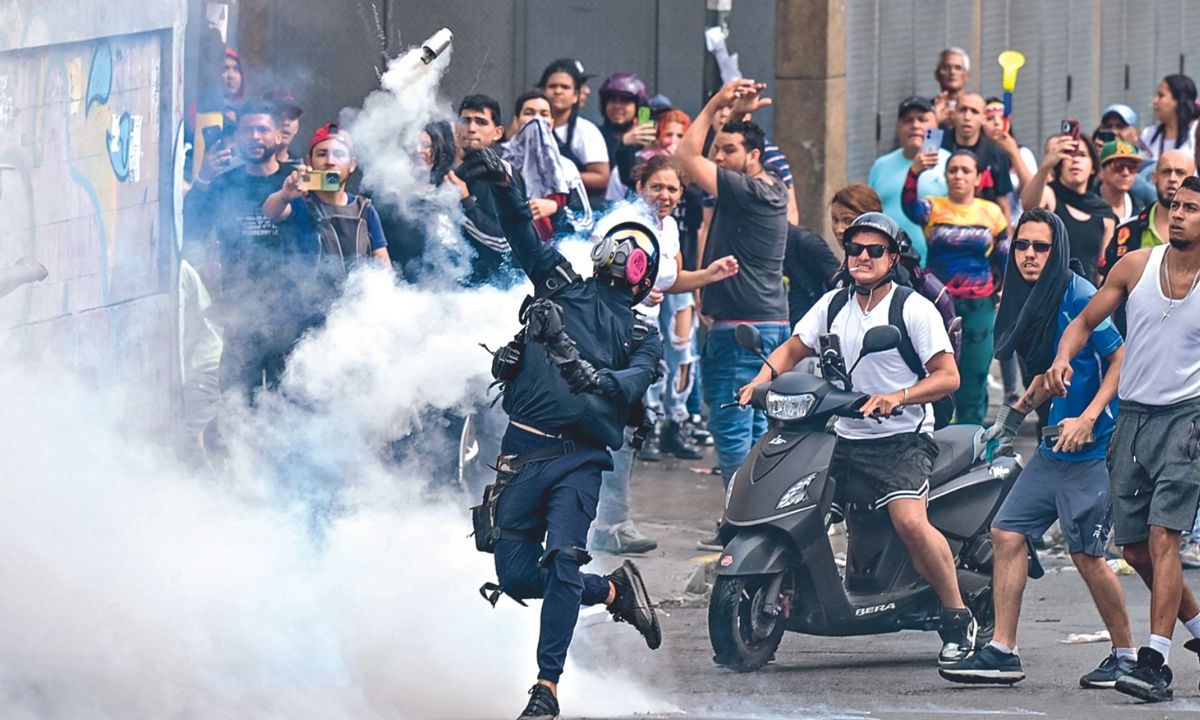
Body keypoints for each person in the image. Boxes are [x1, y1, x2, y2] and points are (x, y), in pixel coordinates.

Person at [463, 148, 663, 720]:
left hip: (579, 459)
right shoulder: (559, 285)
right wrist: (503, 187)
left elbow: (629, 386)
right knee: (521, 576)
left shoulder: (644, 337)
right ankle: (615, 593)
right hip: (521, 450)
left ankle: (545, 688)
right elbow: (523, 235)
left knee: (564, 564)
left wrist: (581, 368)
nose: (622, 257)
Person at [740, 212, 974, 666]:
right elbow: (793, 349)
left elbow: (948, 377)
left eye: (874, 251)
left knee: (908, 520)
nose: (862, 257)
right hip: (840, 436)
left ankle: (956, 614)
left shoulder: (913, 309)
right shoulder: (832, 305)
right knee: (796, 508)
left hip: (902, 439)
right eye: (855, 249)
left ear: (893, 257)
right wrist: (759, 381)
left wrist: (898, 396)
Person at [940, 208, 1134, 687]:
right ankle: (1003, 651)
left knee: (1088, 553)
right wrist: (1011, 419)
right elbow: (1051, 375)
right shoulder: (1026, 297)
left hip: (1094, 445)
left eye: (1040, 247)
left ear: (1058, 250)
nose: (1029, 255)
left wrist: (1088, 419)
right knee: (1008, 533)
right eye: (1021, 246)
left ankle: (1128, 656)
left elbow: (1120, 361)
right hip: (1053, 446)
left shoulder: (1079, 293)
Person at [1045, 175, 1200, 703]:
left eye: (1192, 209)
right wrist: (1063, 357)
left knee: (1164, 537)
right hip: (1132, 419)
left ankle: (1154, 661)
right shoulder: (1135, 266)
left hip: (1188, 419)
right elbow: (1083, 322)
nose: (1178, 215)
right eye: (1175, 206)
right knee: (1135, 549)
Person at [592, 157, 740, 553]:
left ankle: (609, 520)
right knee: (616, 433)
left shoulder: (669, 229)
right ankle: (609, 523)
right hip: (613, 339)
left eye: (673, 189)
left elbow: (669, 280)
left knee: (628, 432)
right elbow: (594, 276)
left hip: (643, 340)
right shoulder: (622, 224)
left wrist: (709, 275)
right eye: (657, 187)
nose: (666, 196)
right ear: (639, 185)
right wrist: (631, 293)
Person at [676, 79, 790, 494]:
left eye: (728, 151)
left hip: (741, 330)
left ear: (754, 156)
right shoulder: (768, 185)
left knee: (731, 430)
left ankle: (738, 525)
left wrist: (714, 106)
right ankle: (755, 522)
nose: (719, 159)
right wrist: (737, 117)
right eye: (718, 150)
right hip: (765, 326)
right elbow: (719, 153)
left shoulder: (748, 190)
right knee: (757, 431)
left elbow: (685, 157)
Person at [181, 102, 297, 399]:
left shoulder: (296, 180)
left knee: (285, 398)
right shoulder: (224, 184)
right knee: (236, 397)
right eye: (248, 130)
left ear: (278, 136)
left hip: (289, 311)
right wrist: (204, 175)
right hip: (239, 310)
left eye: (263, 130)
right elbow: (193, 225)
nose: (255, 137)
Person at [903, 150, 1008, 425]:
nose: (958, 176)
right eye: (953, 170)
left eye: (965, 170)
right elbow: (908, 205)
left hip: (980, 306)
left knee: (974, 377)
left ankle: (971, 443)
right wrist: (914, 172)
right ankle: (935, 438)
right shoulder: (932, 207)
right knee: (935, 374)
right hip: (938, 304)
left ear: (978, 177)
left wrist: (1006, 290)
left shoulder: (992, 212)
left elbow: (1005, 255)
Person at [263, 122, 390, 271]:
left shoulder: (364, 209)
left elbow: (384, 266)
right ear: (309, 161)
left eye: (339, 154)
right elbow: (270, 212)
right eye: (322, 154)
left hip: (356, 293)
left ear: (352, 164)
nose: (330, 161)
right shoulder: (298, 202)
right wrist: (284, 195)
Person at [1022, 132, 1115, 285]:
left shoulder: (1103, 211)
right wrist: (1045, 167)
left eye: (1082, 155)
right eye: (1069, 154)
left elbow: (1102, 268)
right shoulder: (1049, 195)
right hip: (1048, 293)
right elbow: (1029, 206)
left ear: (1093, 167)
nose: (1075, 160)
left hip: (1084, 298)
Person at [868, 96, 949, 264]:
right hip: (889, 264)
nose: (915, 125)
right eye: (908, 120)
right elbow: (870, 214)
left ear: (935, 124)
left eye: (922, 119)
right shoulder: (881, 165)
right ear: (898, 127)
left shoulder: (951, 164)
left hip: (937, 265)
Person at [503, 90, 592, 241]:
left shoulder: (566, 167)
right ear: (517, 121)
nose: (536, 120)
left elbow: (586, 222)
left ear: (551, 123)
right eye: (529, 113)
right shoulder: (501, 161)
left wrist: (557, 211)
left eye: (543, 114)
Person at [1105, 149, 1197, 272]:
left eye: (1180, 173)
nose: (1172, 178)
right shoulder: (1127, 230)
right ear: (1154, 177)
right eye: (1166, 172)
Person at [538, 58, 610, 206]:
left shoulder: (586, 131)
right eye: (552, 86)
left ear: (576, 95)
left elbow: (602, 177)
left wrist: (558, 176)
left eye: (564, 87)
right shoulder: (529, 127)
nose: (558, 91)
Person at [941, 93, 1014, 220]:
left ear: (984, 118)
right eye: (962, 110)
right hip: (943, 220)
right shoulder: (939, 147)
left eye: (974, 112)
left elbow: (1003, 204)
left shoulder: (996, 154)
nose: (967, 117)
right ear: (953, 115)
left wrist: (1006, 237)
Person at [597, 72, 655, 202]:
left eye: (625, 101)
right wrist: (623, 143)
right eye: (612, 100)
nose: (617, 106)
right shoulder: (594, 135)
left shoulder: (648, 138)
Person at [1140, 74, 1199, 162]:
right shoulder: (1148, 134)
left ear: (1178, 100)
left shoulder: (1196, 132)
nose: (1154, 101)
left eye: (1161, 95)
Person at [1097, 140, 1146, 223]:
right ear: (1101, 171)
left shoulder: (1141, 210)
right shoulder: (1086, 208)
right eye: (1118, 166)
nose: (1126, 173)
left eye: (1132, 167)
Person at [262, 89, 303, 172]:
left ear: (297, 127)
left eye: (292, 117)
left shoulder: (301, 170)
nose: (286, 122)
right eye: (278, 115)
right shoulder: (238, 166)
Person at [932, 47, 971, 127]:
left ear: (967, 75)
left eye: (958, 68)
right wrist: (935, 122)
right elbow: (929, 140)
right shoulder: (927, 110)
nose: (952, 72)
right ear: (937, 75)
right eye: (946, 68)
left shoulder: (974, 109)